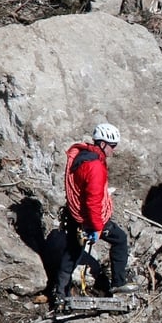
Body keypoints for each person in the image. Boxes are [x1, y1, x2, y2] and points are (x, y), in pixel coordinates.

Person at [54, 123, 137, 306]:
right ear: (102, 144)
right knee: (120, 240)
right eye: (112, 146)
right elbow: (93, 200)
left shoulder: (81, 157)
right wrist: (97, 228)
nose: (113, 151)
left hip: (75, 216)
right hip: (89, 219)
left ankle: (61, 295)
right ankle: (118, 283)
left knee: (72, 253)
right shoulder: (95, 166)